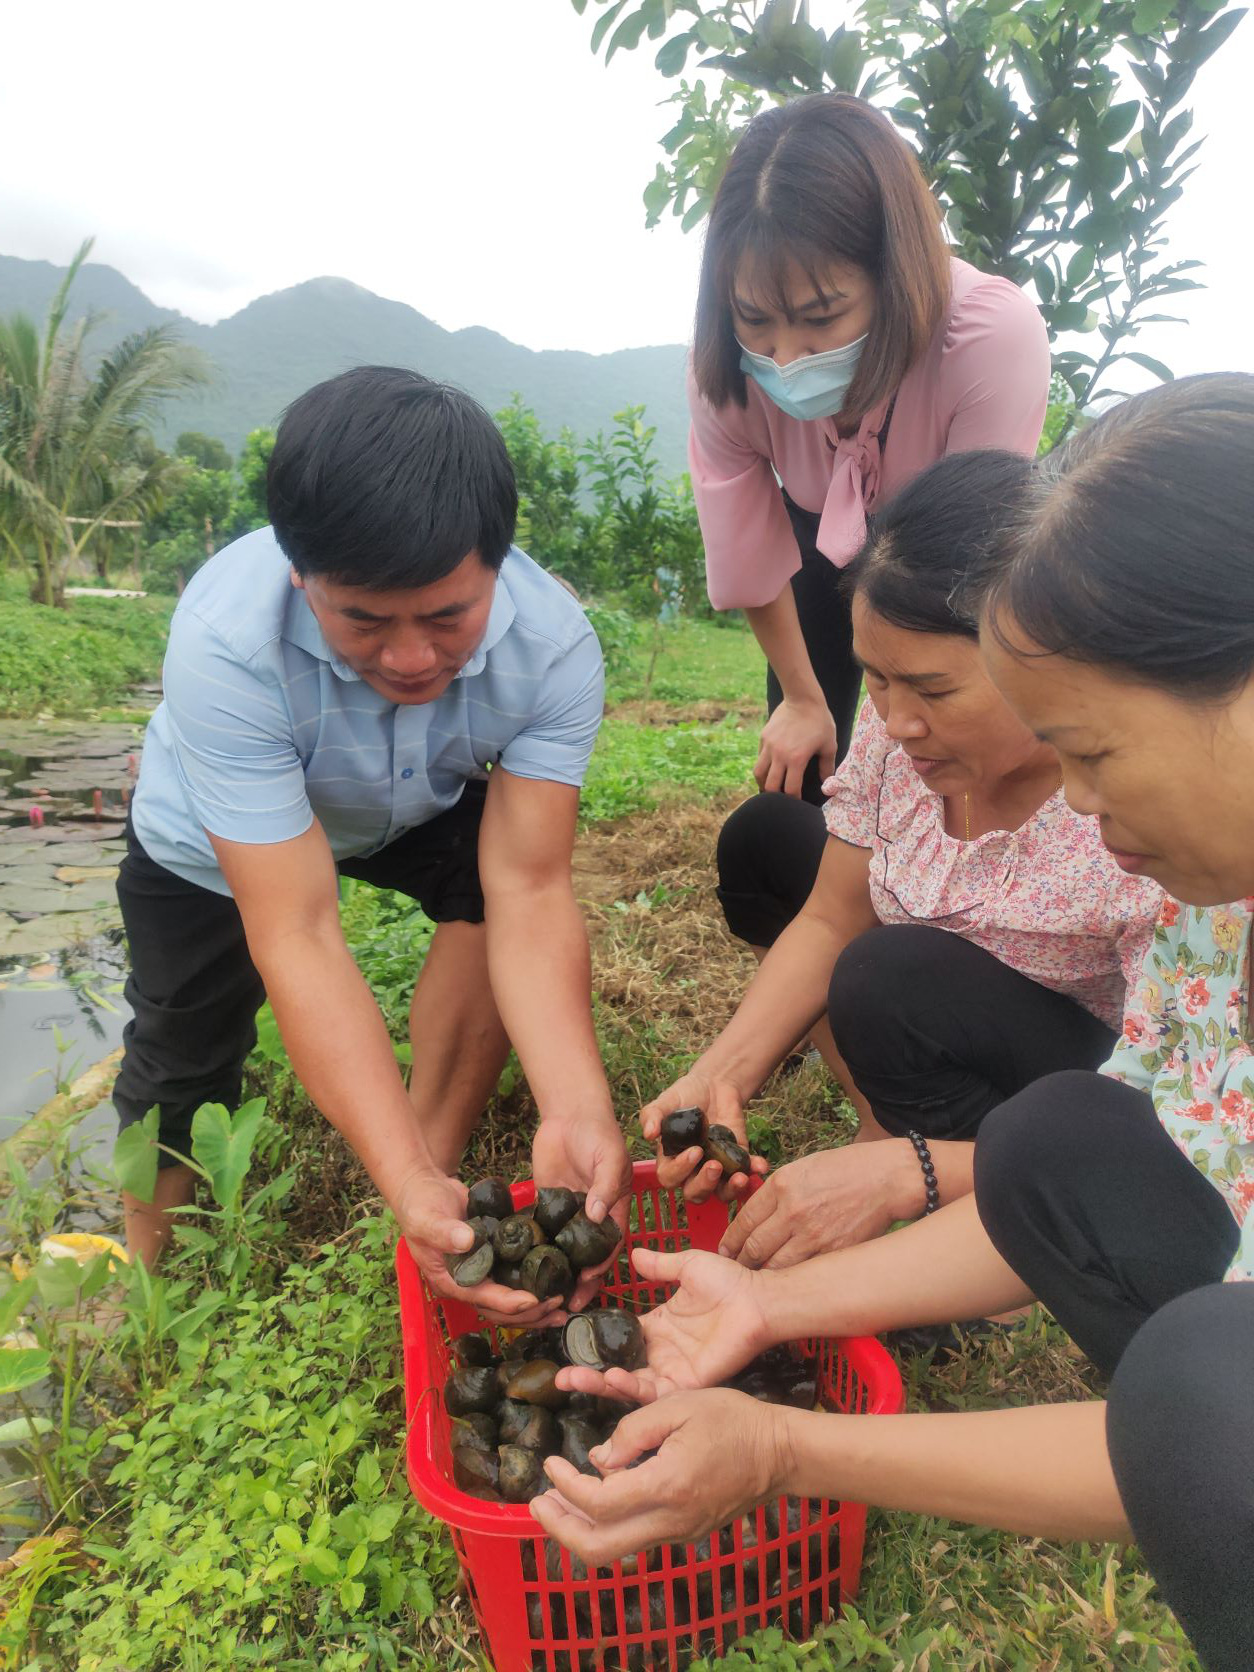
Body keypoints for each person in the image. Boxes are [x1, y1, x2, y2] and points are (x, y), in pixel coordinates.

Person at [532, 373, 1254, 1672]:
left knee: (1202, 1381)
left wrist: (788, 1448)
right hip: (1089, 1134)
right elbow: (1182, 1153)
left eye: (1088, 752)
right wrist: (769, 1301)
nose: (1080, 813)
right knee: (1056, 1141)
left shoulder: (1163, 880)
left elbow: (1196, 1435)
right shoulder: (1218, 914)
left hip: (1196, 1344)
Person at [113, 366, 631, 1315]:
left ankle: (427, 1164)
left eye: (447, 616)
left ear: (498, 562)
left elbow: (530, 888)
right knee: (183, 1045)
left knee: (486, 889)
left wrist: (574, 1103)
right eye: (362, 620)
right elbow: (299, 929)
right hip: (218, 835)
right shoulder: (226, 640)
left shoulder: (554, 648)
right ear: (299, 573)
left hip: (417, 798)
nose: (409, 658)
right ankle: (146, 1286)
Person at [644, 450, 1160, 1268]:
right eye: (875, 680)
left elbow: (1167, 1120)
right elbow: (831, 913)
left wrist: (917, 1174)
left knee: (892, 977)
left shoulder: (1142, 816)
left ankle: (966, 1207)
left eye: (934, 689)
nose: (896, 719)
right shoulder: (896, 731)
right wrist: (725, 1073)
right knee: (771, 836)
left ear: (1053, 659)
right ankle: (885, 1125)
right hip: (925, 988)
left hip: (1083, 1082)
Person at [689, 91, 1050, 803]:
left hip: (948, 560)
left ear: (892, 274)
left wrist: (904, 731)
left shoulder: (983, 337)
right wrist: (800, 698)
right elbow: (751, 552)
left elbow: (973, 564)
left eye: (821, 318)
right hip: (810, 542)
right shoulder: (727, 372)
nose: (786, 357)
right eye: (756, 319)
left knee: (927, 765)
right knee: (802, 777)